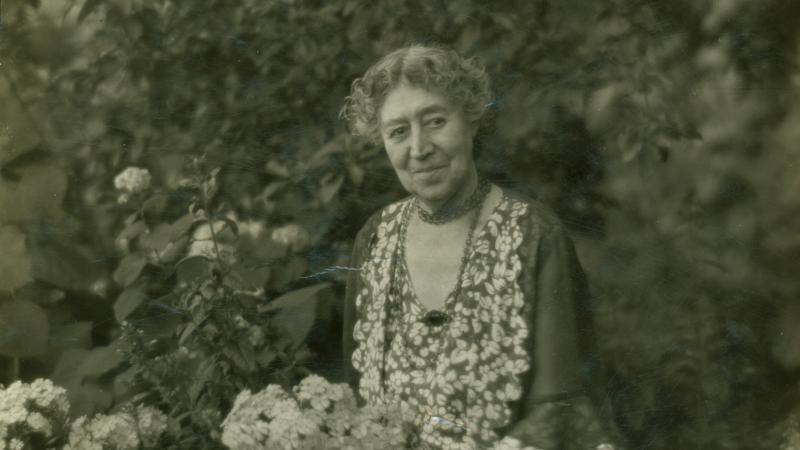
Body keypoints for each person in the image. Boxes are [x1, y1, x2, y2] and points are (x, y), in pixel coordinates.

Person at [339, 44, 621, 450]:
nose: (419, 148)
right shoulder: (374, 240)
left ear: (470, 121)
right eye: (398, 132)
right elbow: (363, 401)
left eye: (435, 121)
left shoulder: (535, 236)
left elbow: (558, 409)